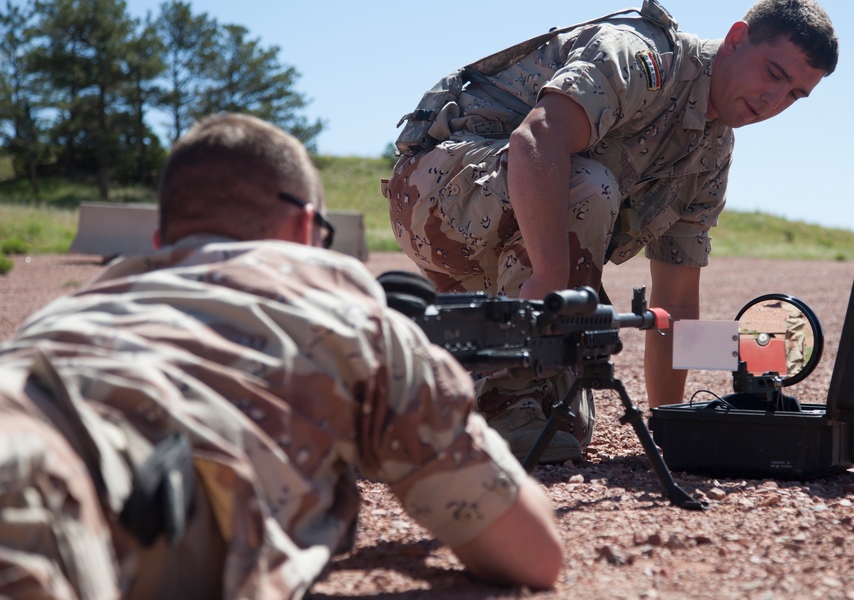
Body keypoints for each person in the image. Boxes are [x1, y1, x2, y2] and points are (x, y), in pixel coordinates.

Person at [0, 113, 563, 599]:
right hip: (47, 491)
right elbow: (534, 554)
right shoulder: (351, 324)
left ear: (160, 244)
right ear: (303, 227)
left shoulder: (61, 316)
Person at [386, 0, 838, 463]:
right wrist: (549, 279)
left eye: (794, 96)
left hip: (504, 241)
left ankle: (459, 383)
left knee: (569, 423)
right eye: (774, 73)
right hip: (434, 193)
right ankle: (508, 397)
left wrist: (672, 425)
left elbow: (675, 302)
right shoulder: (642, 58)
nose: (773, 101)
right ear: (736, 39)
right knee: (587, 186)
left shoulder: (711, 151)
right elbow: (536, 139)